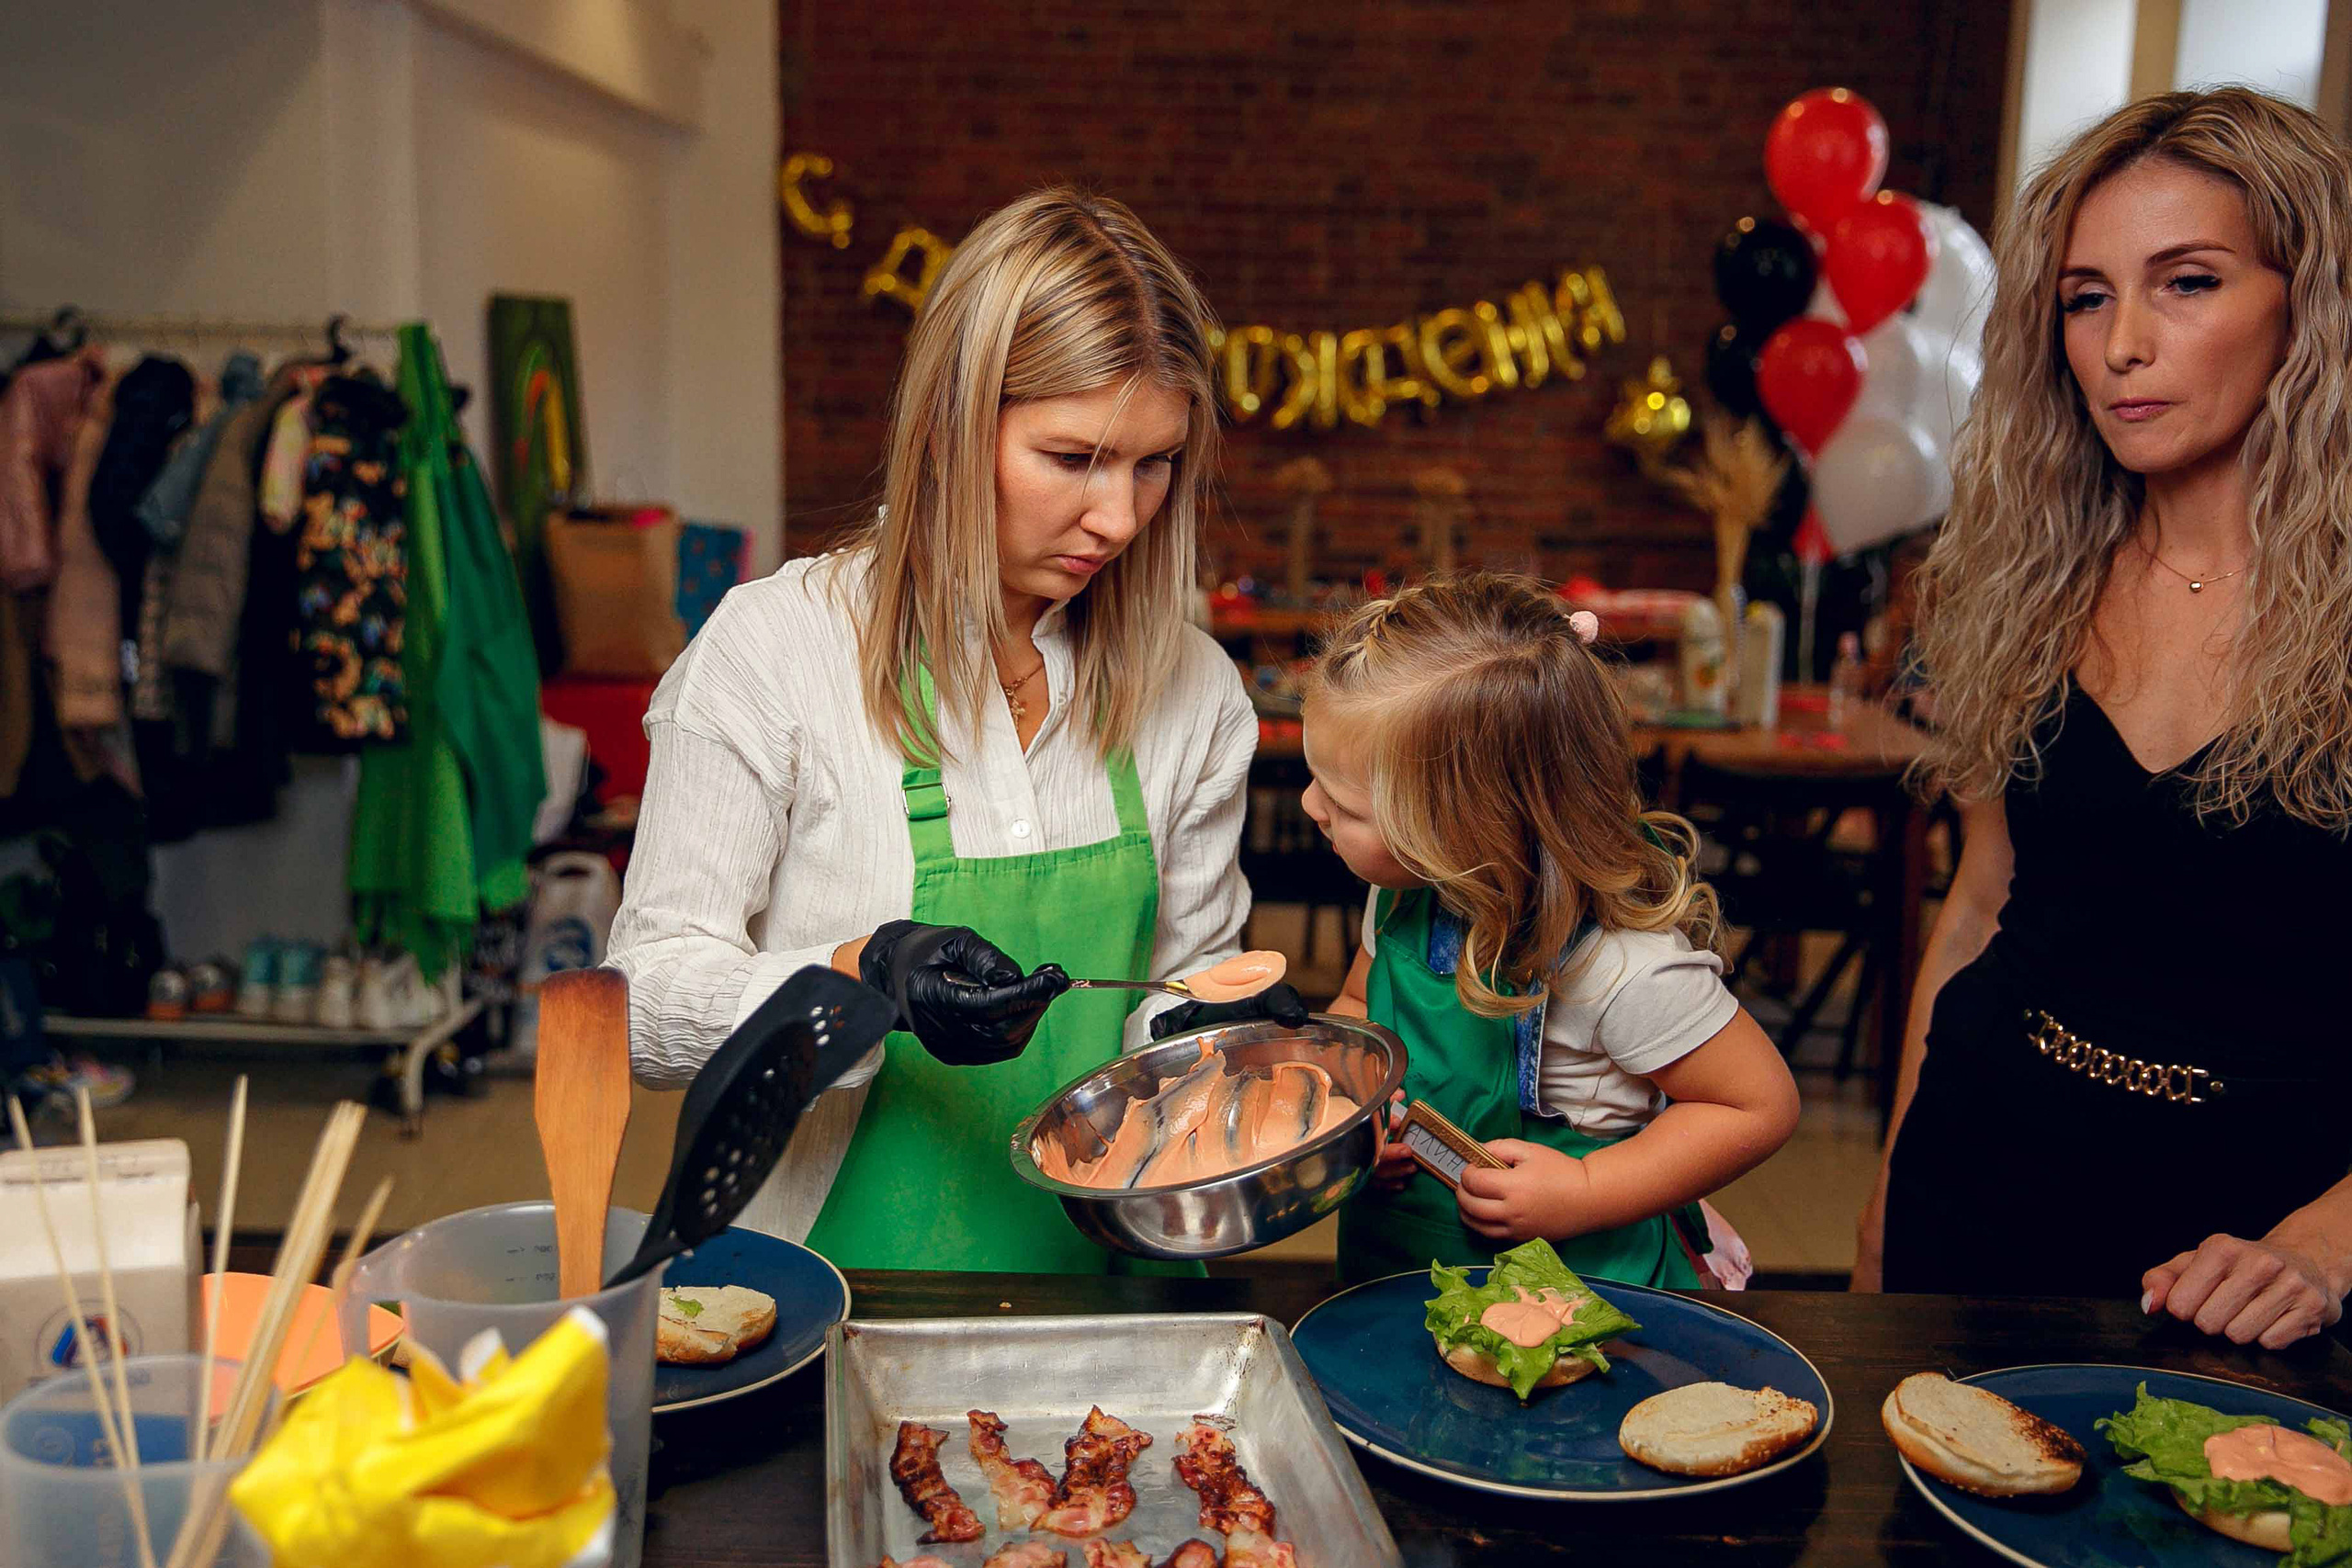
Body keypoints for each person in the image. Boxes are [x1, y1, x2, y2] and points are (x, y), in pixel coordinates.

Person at [606, 188, 1306, 1272]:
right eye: (1073, 459)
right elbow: (641, 1007)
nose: (1119, 519)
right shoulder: (777, 651)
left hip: (1103, 1287)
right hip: (818, 1295)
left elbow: (1177, 990)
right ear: (950, 424)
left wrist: (1225, 1046)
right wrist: (864, 978)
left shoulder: (1193, 689)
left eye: (1154, 463)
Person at [1856, 89, 2352, 1348]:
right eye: (2086, 297)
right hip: (1983, 1169)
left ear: (2310, 302)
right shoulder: (2020, 572)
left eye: (2186, 282)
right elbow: (1979, 904)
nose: (2123, 341)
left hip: (2262, 1242)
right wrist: (1886, 1197)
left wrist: (2329, 1238)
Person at [1300, 573, 1800, 1286]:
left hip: (1585, 1295)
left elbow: (1758, 1104)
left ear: (1462, 828)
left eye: (1343, 803)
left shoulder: (1621, 965)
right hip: (1401, 1274)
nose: (1309, 803)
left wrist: (1588, 1188)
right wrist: (1360, 1098)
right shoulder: (1401, 898)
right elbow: (1358, 1009)